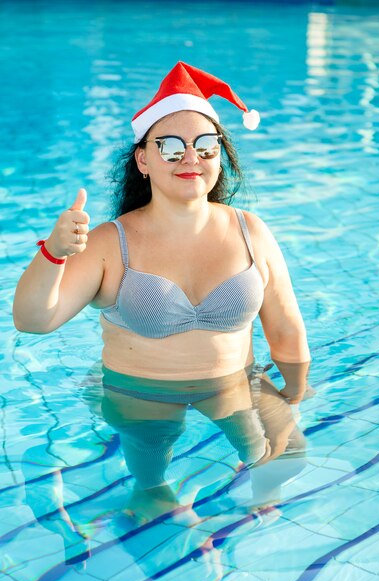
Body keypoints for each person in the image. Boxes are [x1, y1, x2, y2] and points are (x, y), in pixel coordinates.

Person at [13, 62, 311, 474]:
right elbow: (33, 321)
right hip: (140, 395)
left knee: (285, 462)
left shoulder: (250, 231)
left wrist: (294, 392)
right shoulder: (109, 243)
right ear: (143, 160)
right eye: (170, 147)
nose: (190, 157)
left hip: (232, 386)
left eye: (206, 145)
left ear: (220, 157)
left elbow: (285, 326)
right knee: (153, 493)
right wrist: (54, 253)